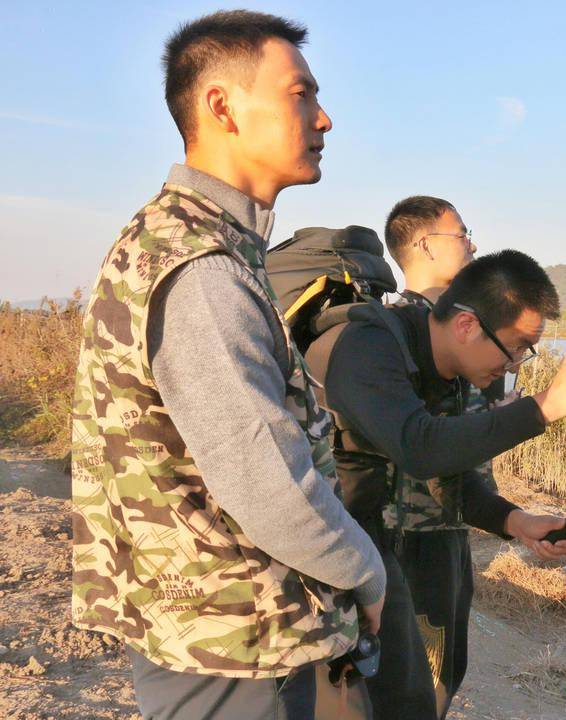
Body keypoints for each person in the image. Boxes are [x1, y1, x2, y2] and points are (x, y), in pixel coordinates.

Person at [70, 11, 384, 720]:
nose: (324, 118)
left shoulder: (185, 239)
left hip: (216, 627)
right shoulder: (202, 265)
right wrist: (367, 572)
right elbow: (263, 476)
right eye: (300, 93)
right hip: (236, 640)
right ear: (221, 107)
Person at [306, 249, 566, 718]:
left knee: (416, 701)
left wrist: (515, 520)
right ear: (468, 325)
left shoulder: (449, 367)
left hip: (368, 551)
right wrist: (546, 406)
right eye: (515, 346)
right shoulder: (366, 344)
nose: (516, 364)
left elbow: (440, 475)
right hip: (317, 557)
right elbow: (420, 447)